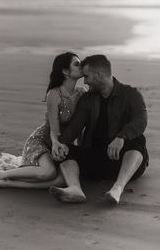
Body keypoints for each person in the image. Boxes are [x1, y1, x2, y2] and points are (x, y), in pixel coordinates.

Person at [0, 52, 85, 190]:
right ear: (65, 71)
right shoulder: (54, 94)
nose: (82, 66)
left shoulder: (82, 93)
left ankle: (6, 183)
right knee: (48, 173)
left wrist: (80, 150)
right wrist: (56, 143)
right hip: (42, 141)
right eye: (77, 63)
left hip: (62, 145)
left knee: (62, 181)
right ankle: (0, 175)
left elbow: (80, 126)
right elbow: (54, 130)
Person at [50, 54, 149, 204]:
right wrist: (62, 143)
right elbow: (75, 126)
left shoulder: (130, 94)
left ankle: (117, 188)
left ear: (98, 75)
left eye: (87, 77)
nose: (85, 81)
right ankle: (75, 189)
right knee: (66, 151)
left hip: (123, 161)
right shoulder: (88, 99)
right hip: (96, 159)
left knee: (137, 141)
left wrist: (121, 137)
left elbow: (140, 121)